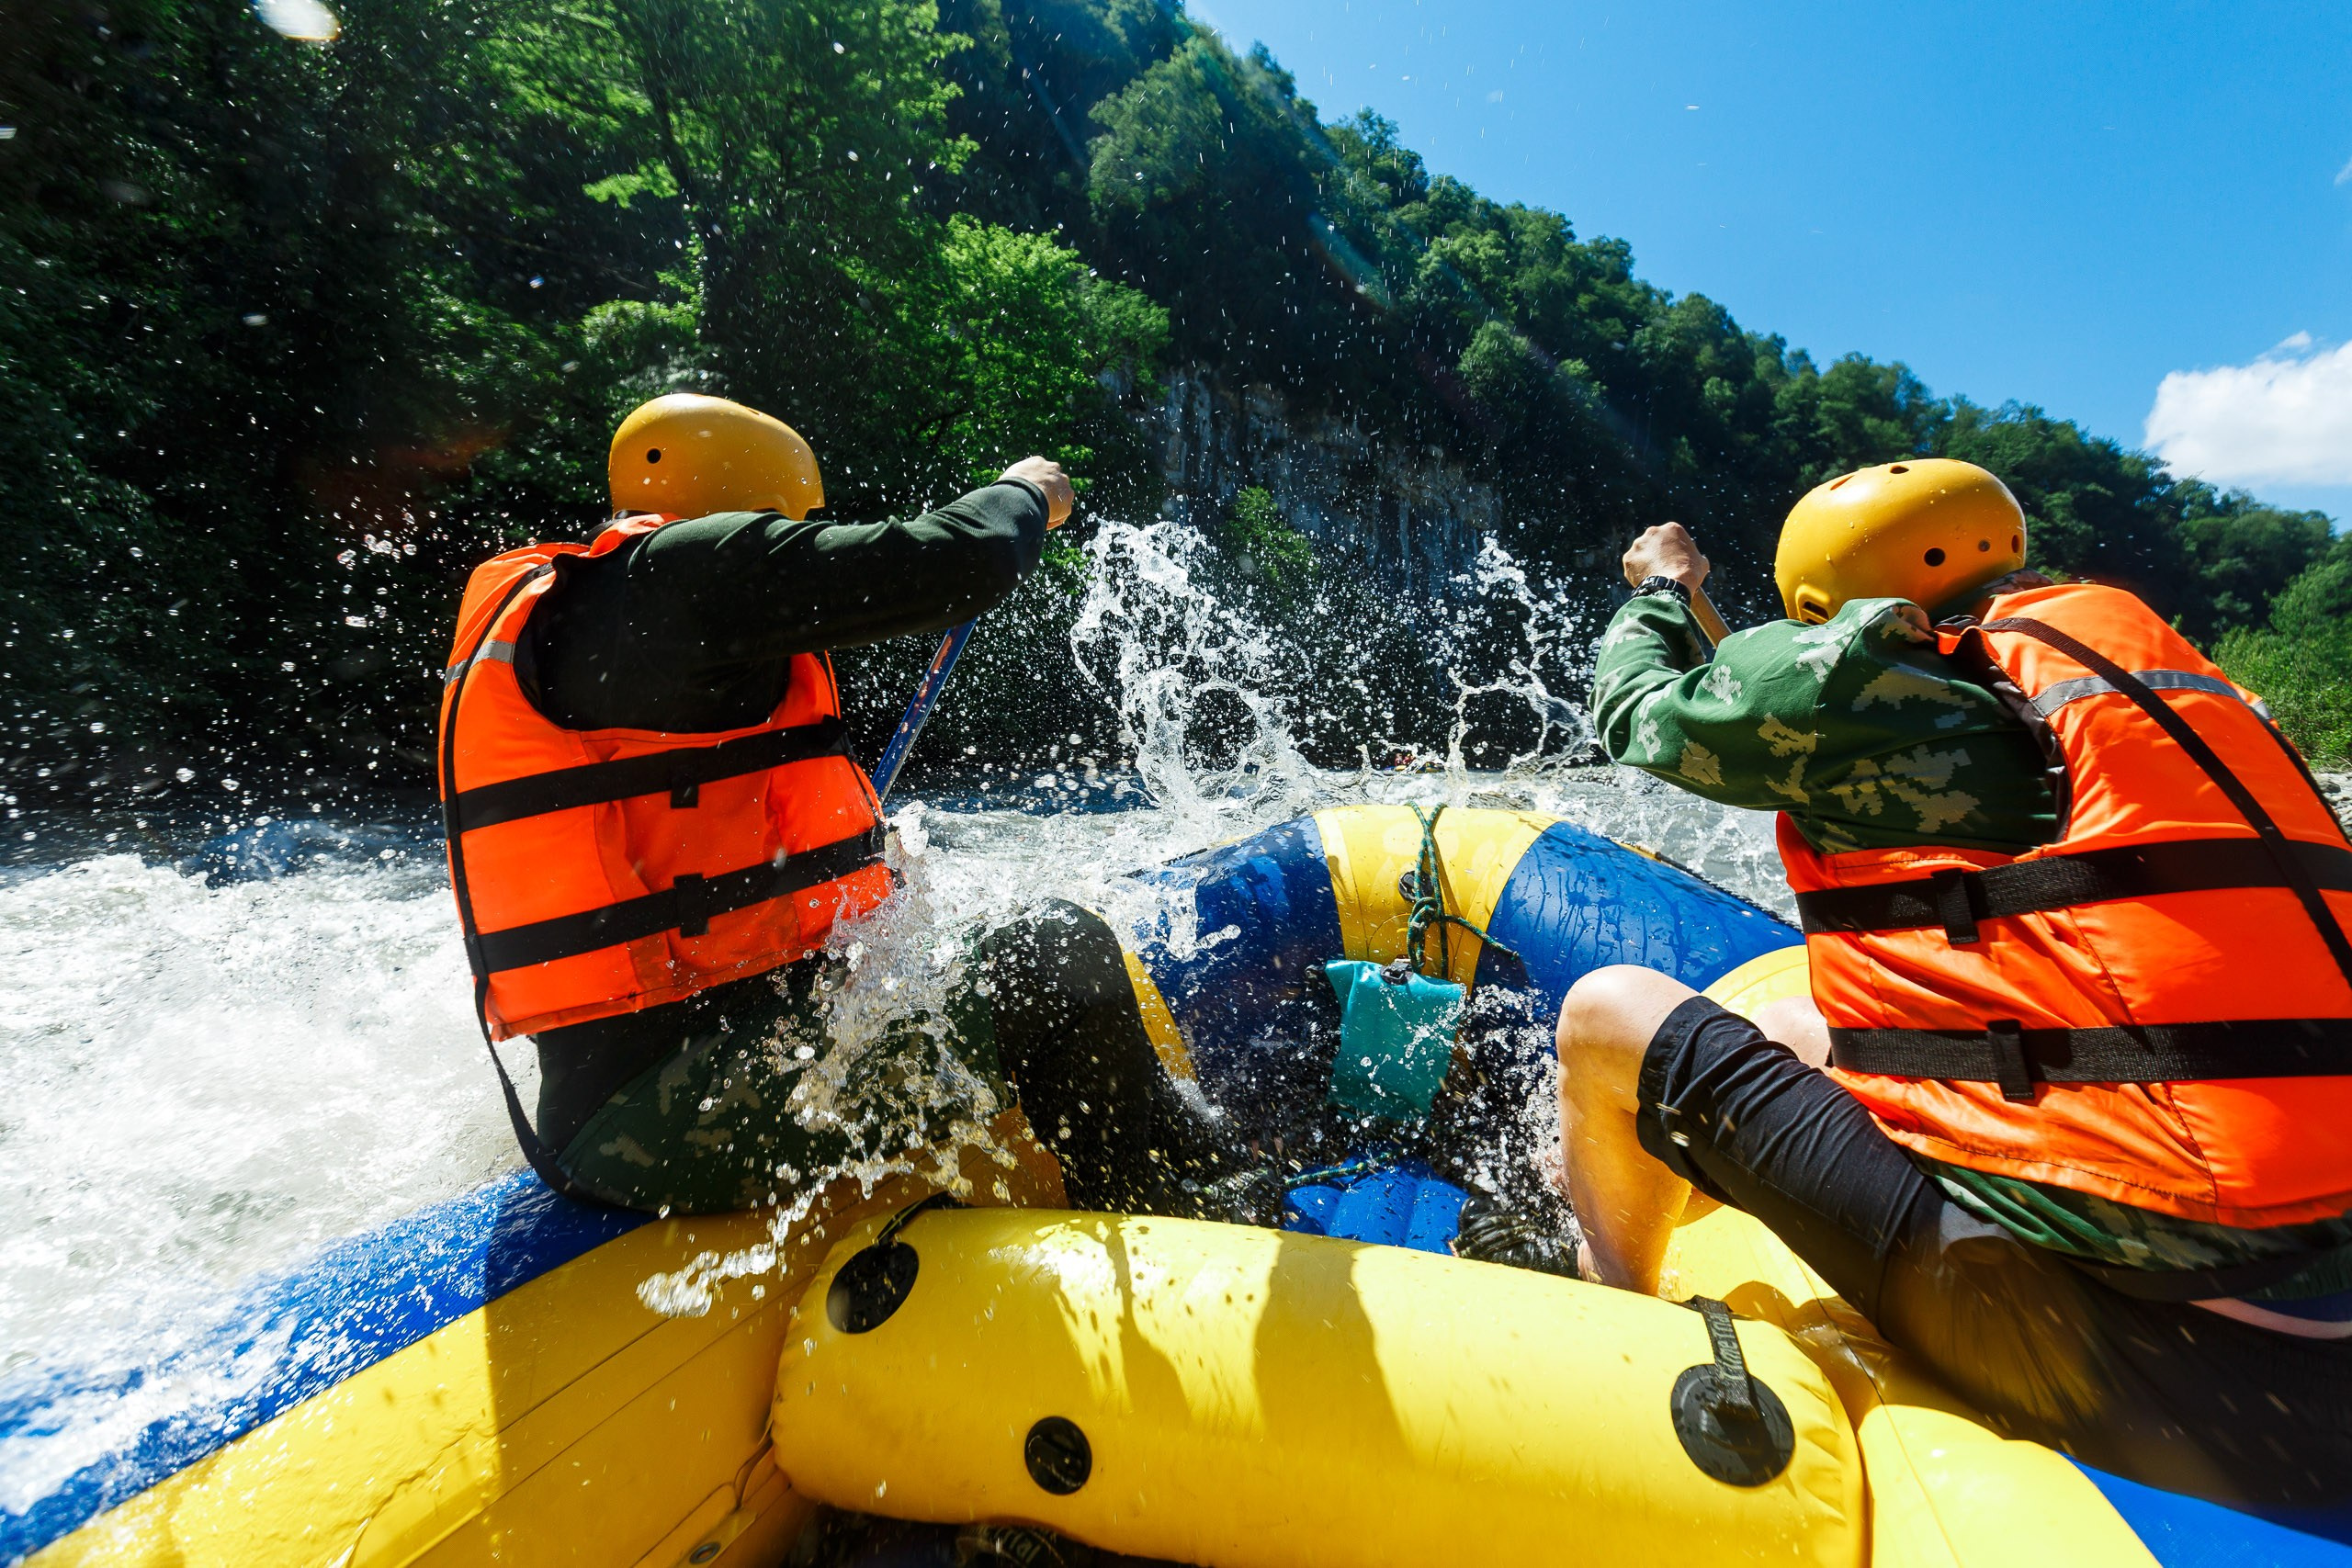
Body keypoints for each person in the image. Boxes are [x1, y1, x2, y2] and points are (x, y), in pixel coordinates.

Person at [1555, 457, 2352, 1509]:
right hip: (2322, 1318)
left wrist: (1661, 588)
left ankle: (1608, 1309)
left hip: (2153, 1369)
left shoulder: (1861, 684)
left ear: (1817, 609)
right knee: (1800, 1023)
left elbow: (1640, 711)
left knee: (1606, 1011)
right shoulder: (2161, 696)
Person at [438, 393, 1261, 1220]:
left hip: (639, 1086)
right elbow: (960, 560)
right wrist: (1024, 494)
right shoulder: (682, 576)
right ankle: (1178, 1203)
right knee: (1054, 951)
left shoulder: (593, 609)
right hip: (657, 1121)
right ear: (762, 506)